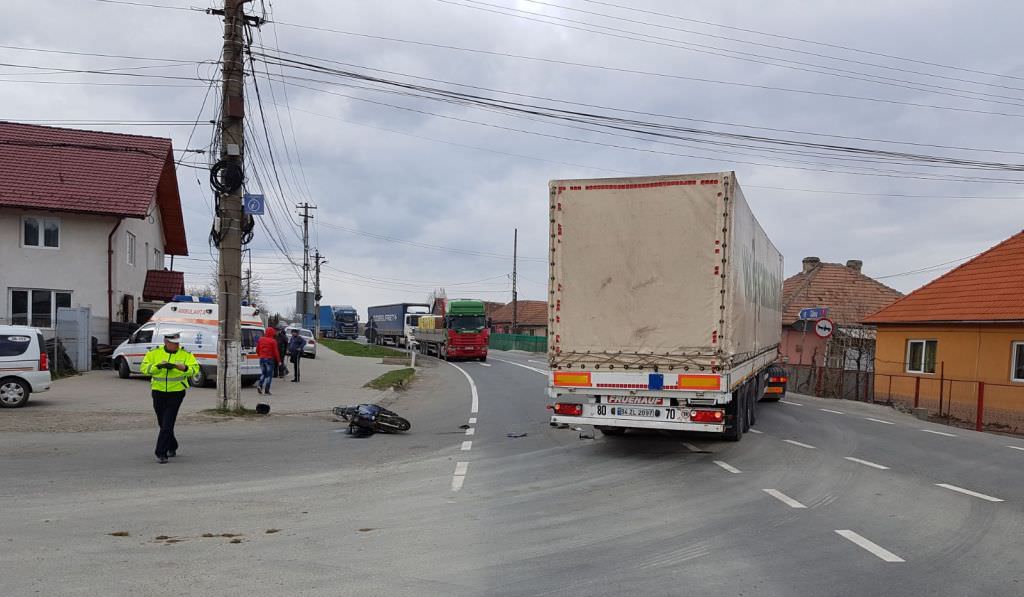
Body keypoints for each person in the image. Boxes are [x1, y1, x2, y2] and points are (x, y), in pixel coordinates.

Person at [140, 332, 199, 464]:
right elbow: (144, 368)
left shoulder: (185, 354)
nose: (176, 346)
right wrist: (158, 366)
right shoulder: (154, 353)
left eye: (177, 343)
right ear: (166, 342)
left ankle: (161, 452)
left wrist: (184, 368)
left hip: (177, 392)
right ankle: (172, 445)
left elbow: (195, 369)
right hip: (158, 391)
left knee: (167, 422)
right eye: (173, 343)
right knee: (162, 422)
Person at [255, 327, 281, 395]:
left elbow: (257, 350)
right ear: (272, 333)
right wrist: (279, 361)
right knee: (269, 375)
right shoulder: (273, 341)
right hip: (269, 359)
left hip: (262, 358)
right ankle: (267, 390)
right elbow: (276, 352)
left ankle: (260, 386)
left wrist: (261, 355)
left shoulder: (260, 339)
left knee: (263, 373)